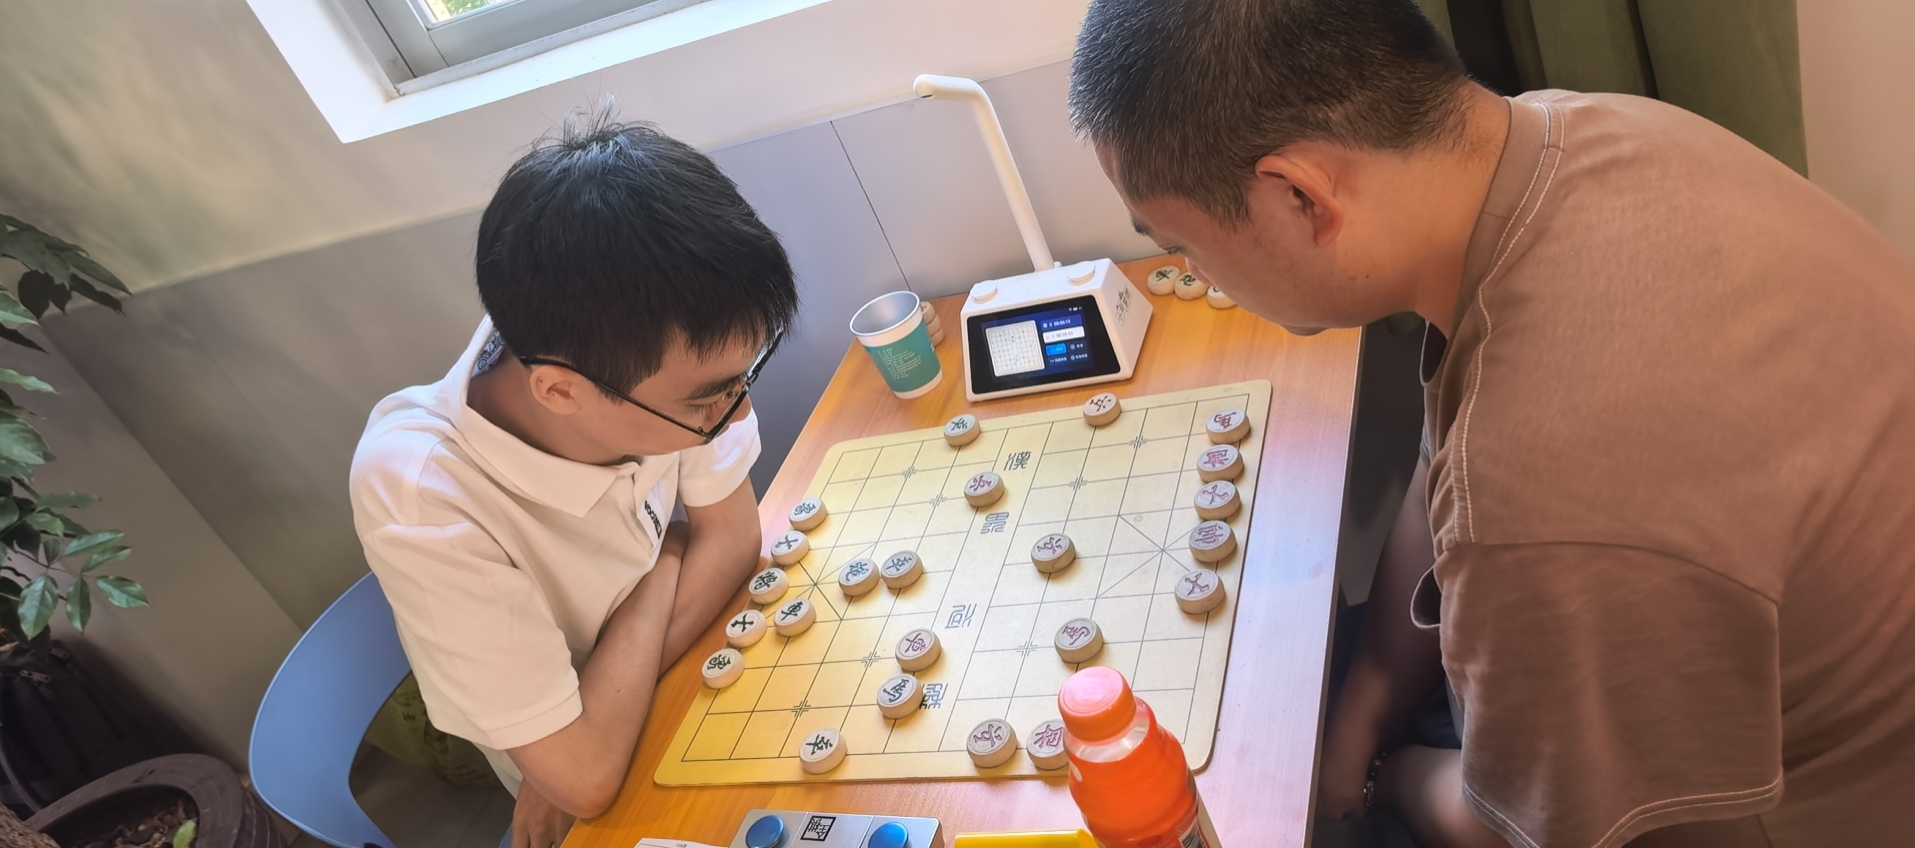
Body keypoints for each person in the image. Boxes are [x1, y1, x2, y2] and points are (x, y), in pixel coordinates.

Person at [1070, 1, 1915, 846]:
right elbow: (1440, 460)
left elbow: (1519, 829)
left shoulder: (1537, 487)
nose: (1195, 273)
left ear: (1299, 196)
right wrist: (1362, 710)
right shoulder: (1568, 131)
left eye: (1181, 246)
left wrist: (1378, 777)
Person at [349, 111, 797, 848]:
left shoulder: (633, 351)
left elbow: (732, 539)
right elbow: (581, 778)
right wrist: (668, 560)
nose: (739, 409)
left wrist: (609, 691)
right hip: (591, 790)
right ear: (560, 391)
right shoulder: (423, 498)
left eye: (744, 376)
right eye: (709, 398)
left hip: (661, 690)